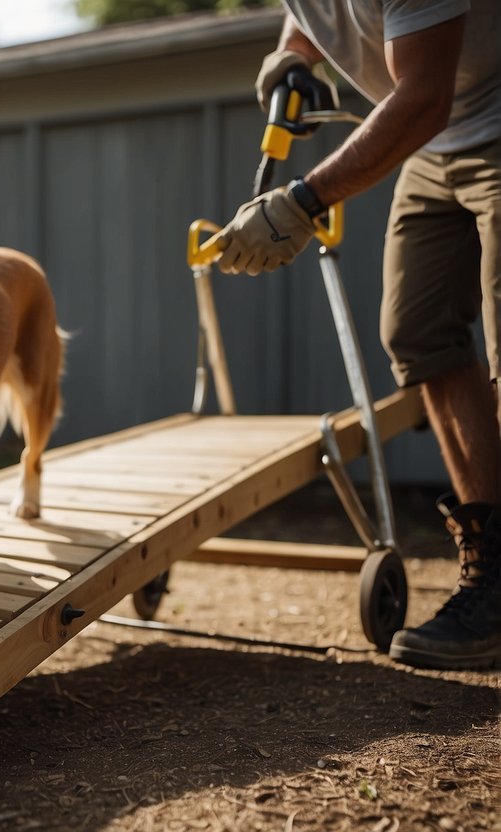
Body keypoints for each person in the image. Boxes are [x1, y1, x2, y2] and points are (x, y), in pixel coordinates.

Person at [212, 0, 501, 670]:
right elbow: (308, 14)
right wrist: (293, 54)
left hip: (474, 116)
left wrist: (300, 203)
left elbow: (423, 95)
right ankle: (491, 576)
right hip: (439, 146)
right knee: (418, 333)